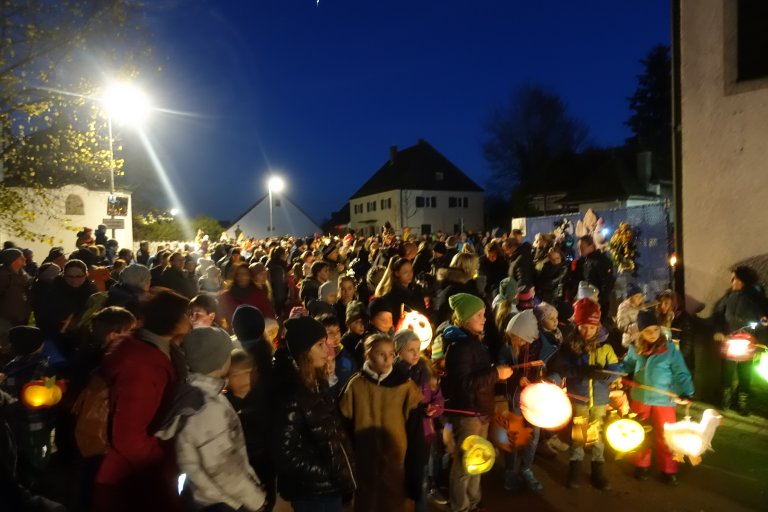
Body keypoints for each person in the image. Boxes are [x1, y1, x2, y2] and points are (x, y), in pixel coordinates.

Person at [93, 290, 192, 512]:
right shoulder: (143, 365)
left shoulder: (156, 348)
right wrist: (164, 460)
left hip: (138, 473)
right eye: (186, 314)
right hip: (132, 480)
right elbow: (129, 438)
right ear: (172, 320)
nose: (190, 319)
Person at [159, 327, 266, 511]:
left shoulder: (190, 394)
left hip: (203, 496)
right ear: (220, 362)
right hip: (221, 501)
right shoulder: (207, 406)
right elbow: (222, 468)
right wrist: (257, 500)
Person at [271, 316, 356, 511]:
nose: (328, 350)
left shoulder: (317, 383)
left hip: (328, 489)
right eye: (320, 345)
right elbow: (285, 452)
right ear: (304, 352)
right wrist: (325, 472)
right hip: (313, 495)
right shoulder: (292, 393)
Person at [441, 293, 512, 512]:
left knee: (477, 459)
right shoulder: (460, 347)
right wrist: (495, 374)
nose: (484, 319)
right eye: (479, 315)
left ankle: (473, 501)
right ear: (464, 319)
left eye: (484, 314)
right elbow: (464, 383)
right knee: (464, 464)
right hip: (468, 414)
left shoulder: (473, 342)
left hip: (479, 411)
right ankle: (460, 506)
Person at [339, 333, 424, 512]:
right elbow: (343, 434)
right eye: (381, 354)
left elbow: (416, 437)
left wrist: (414, 479)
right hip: (364, 473)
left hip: (396, 472)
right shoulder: (355, 386)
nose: (387, 360)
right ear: (368, 355)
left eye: (391, 354)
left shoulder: (405, 388)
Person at [549, 298, 619, 490]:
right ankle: (575, 467)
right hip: (579, 398)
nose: (586, 331)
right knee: (579, 434)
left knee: (596, 433)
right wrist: (581, 371)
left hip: (598, 400)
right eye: (582, 326)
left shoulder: (605, 347)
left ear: (597, 326)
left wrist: (603, 374)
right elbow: (561, 368)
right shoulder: (570, 347)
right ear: (577, 326)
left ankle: (598, 469)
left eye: (590, 326)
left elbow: (615, 371)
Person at [622, 310, 694, 486]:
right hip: (641, 397)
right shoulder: (635, 349)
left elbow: (680, 372)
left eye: (655, 330)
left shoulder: (669, 350)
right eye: (647, 331)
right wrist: (624, 373)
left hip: (664, 399)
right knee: (639, 432)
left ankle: (668, 469)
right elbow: (627, 365)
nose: (652, 335)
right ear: (640, 332)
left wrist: (686, 391)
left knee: (666, 434)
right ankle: (641, 464)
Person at [499, 309, 557, 493]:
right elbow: (501, 367)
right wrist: (516, 378)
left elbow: (557, 371)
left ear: (528, 336)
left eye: (516, 337)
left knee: (533, 435)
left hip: (538, 400)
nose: (513, 341)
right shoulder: (509, 347)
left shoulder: (548, 349)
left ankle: (526, 468)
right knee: (513, 433)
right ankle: (509, 470)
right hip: (516, 398)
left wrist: (547, 381)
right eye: (512, 337)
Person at [393, 329, 445, 512]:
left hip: (423, 433)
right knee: (400, 477)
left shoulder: (426, 372)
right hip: (400, 434)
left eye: (418, 349)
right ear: (398, 351)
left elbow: (438, 400)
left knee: (420, 477)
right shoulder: (393, 375)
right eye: (410, 350)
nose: (416, 354)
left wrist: (434, 410)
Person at [711, 265, 767, 414]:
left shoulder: (756, 298)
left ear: (742, 281)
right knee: (727, 372)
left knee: (745, 373)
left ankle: (742, 403)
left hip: (748, 341)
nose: (731, 281)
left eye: (734, 278)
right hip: (729, 339)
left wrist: (760, 337)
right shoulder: (728, 297)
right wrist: (718, 330)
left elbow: (764, 319)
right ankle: (726, 400)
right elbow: (717, 315)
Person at [226, 349, 276, 511]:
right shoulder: (225, 404)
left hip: (264, 461)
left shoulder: (263, 397)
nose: (242, 378)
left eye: (247, 372)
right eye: (235, 374)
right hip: (239, 466)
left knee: (268, 500)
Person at [617, 283, 644, 348]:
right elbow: (622, 326)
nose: (640, 298)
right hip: (630, 341)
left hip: (641, 340)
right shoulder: (624, 307)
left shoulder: (642, 307)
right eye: (637, 296)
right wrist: (640, 325)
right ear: (631, 297)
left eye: (641, 296)